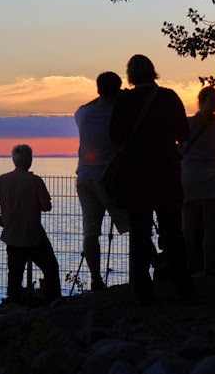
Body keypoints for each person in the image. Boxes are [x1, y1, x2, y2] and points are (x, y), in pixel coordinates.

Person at [109, 54, 194, 304]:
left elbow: (114, 137)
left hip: (136, 177)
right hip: (166, 173)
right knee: (173, 232)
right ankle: (183, 286)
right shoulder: (169, 97)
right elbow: (183, 133)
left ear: (130, 75)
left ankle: (142, 290)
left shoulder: (124, 101)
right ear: (153, 71)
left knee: (139, 233)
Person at [0, 144, 62, 305]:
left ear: (14, 160)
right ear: (30, 160)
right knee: (50, 267)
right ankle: (52, 300)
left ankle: (13, 303)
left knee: (15, 273)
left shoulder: (3, 180)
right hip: (33, 235)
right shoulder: (35, 181)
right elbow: (46, 206)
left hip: (12, 234)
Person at [75, 72, 131, 291]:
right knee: (132, 226)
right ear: (117, 90)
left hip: (84, 177)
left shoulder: (83, 114)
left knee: (90, 232)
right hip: (108, 179)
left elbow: (87, 105)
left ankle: (95, 279)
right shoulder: (117, 117)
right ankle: (155, 265)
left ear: (98, 90)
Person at [180, 86, 215, 276]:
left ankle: (186, 267)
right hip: (214, 176)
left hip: (190, 176)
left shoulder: (187, 123)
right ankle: (208, 267)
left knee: (188, 226)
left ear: (199, 101)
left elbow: (181, 150)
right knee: (211, 225)